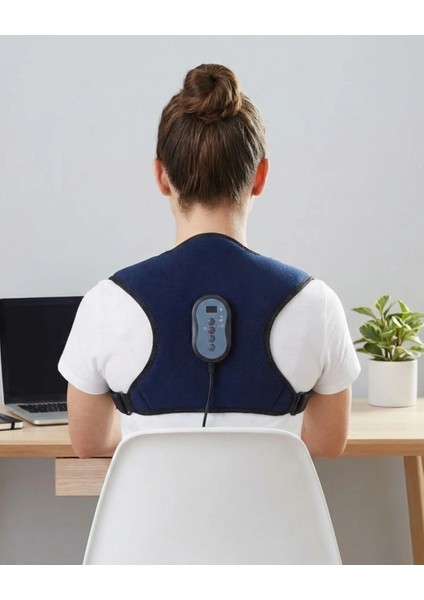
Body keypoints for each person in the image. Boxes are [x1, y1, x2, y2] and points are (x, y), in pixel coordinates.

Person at [58, 63, 360, 459]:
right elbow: (325, 446)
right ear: (260, 176)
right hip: (268, 504)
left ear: (162, 176)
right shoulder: (316, 302)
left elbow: (90, 444)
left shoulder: (107, 302)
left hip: (152, 504)